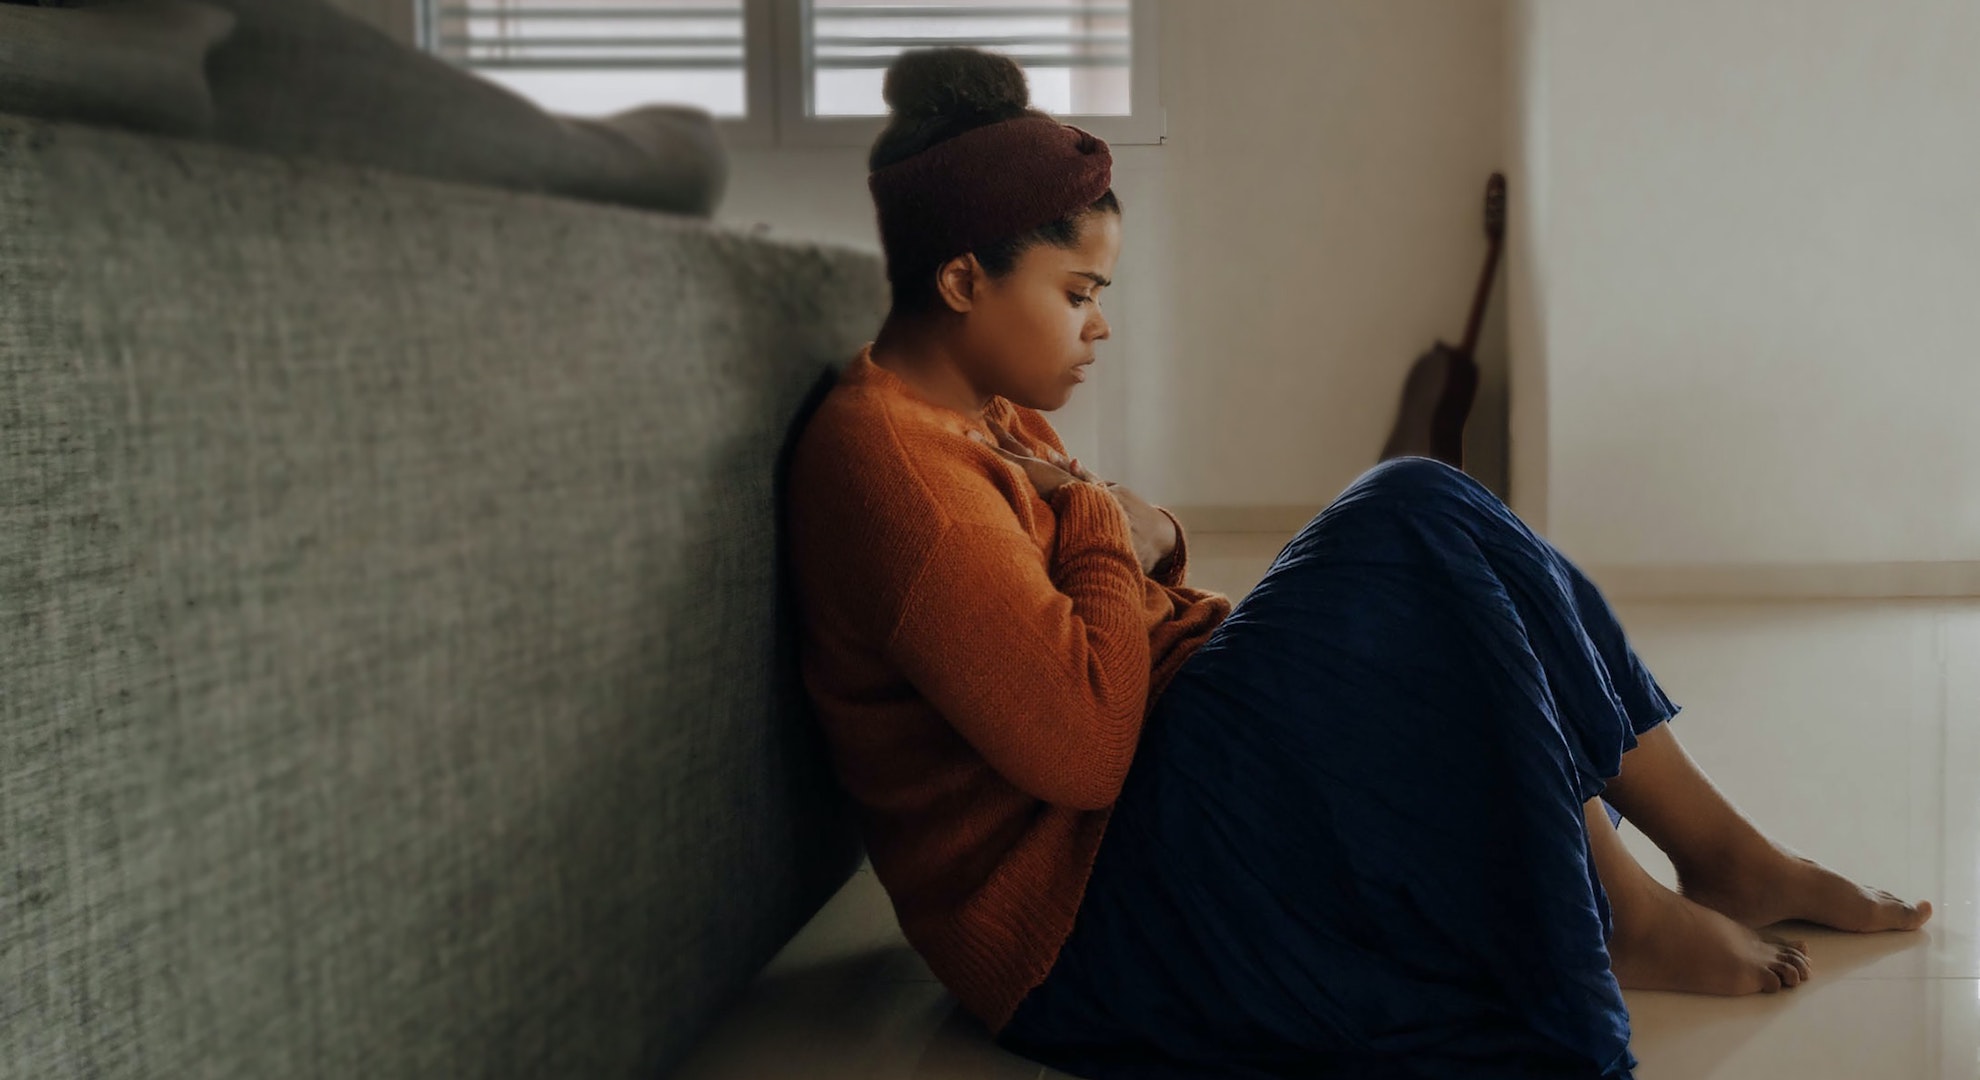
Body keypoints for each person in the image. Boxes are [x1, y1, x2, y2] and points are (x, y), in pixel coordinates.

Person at [783, 47, 1932, 1080]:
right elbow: (1080, 750)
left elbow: (1115, 569)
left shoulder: (978, 411)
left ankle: (1722, 854)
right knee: (1406, 517)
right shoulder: (896, 474)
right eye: (1079, 294)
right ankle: (1619, 911)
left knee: (1424, 512)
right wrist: (1096, 518)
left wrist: (1138, 533)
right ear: (961, 280)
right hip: (1085, 917)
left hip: (1146, 794)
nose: (1099, 327)